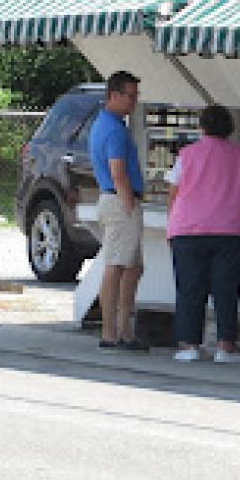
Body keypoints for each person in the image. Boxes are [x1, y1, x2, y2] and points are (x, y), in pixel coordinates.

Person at [166, 103, 240, 363]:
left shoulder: (186, 154)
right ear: (230, 128)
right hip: (231, 229)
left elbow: (173, 192)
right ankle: (225, 346)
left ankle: (189, 345)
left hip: (187, 230)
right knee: (226, 289)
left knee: (189, 288)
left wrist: (176, 217)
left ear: (202, 127)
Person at [89, 71, 148, 351]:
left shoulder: (106, 124)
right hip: (119, 199)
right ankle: (111, 331)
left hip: (114, 198)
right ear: (114, 95)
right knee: (116, 265)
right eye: (131, 95)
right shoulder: (114, 129)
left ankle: (124, 327)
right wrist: (128, 202)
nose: (135, 101)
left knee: (133, 266)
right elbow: (118, 172)